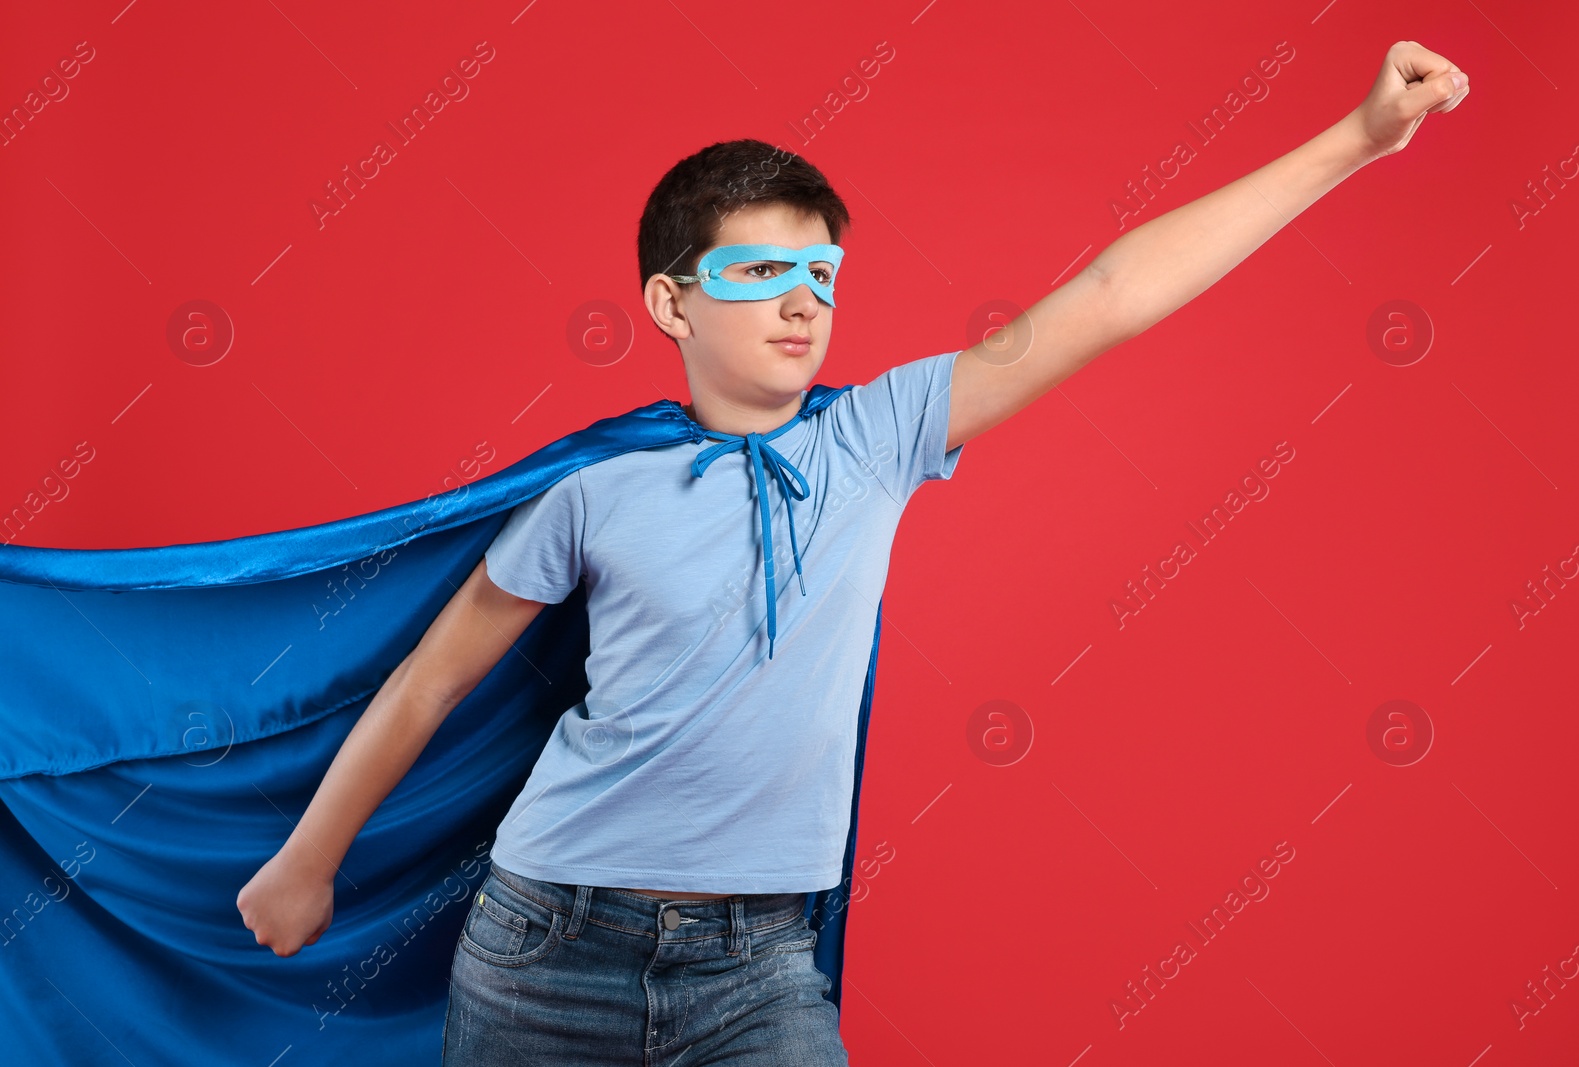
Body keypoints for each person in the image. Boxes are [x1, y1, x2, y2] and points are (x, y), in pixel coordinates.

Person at [237, 40, 1469, 1065]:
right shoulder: (592, 490)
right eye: (760, 269)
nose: (802, 300)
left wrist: (1354, 141)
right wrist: (306, 860)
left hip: (758, 962)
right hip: (547, 939)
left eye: (821, 274)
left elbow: (1107, 292)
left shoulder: (876, 436)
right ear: (672, 303)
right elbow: (428, 683)